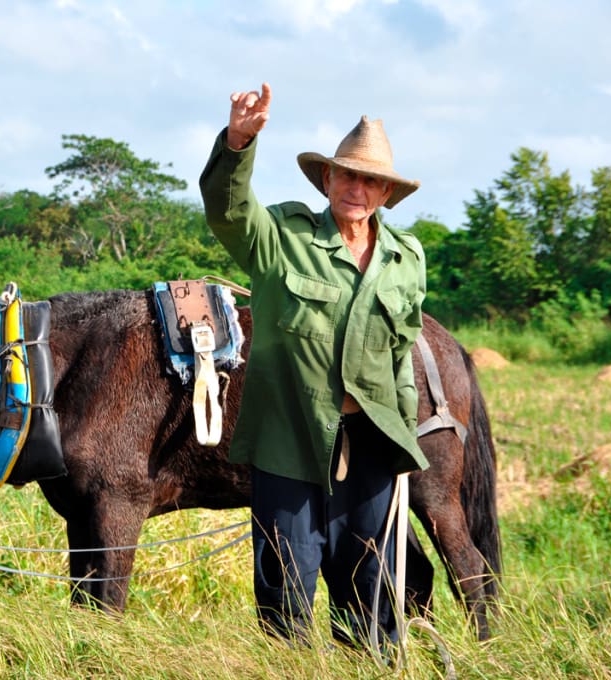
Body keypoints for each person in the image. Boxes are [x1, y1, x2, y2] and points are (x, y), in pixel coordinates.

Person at [199, 82, 428, 650]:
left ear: (385, 192)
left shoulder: (407, 260)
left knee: (375, 600)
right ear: (326, 180)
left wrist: (404, 439)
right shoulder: (283, 237)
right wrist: (236, 143)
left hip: (375, 452)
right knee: (285, 603)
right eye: (346, 175)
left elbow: (403, 357)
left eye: (370, 179)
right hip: (290, 448)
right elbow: (229, 212)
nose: (357, 187)